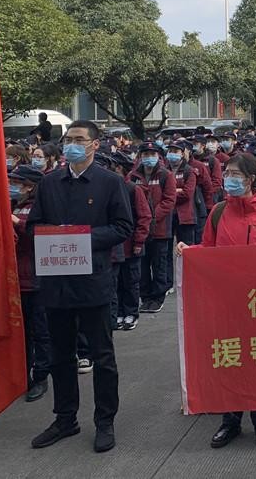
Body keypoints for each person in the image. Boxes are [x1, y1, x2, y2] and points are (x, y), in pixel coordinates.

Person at [27, 120, 133, 454]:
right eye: (68, 139)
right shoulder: (49, 183)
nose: (71, 144)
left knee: (102, 356)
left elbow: (123, 227)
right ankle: (65, 418)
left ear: (94, 144)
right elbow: (34, 225)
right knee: (61, 355)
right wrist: (51, 235)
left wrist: (81, 237)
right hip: (56, 282)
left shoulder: (110, 182)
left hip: (93, 281)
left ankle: (105, 420)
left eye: (78, 139)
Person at [179, 152, 256, 449]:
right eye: (227, 174)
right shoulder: (218, 212)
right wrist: (189, 252)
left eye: (235, 174)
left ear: (250, 179)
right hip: (226, 303)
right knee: (230, 358)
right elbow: (208, 249)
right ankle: (230, 421)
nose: (229, 179)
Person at [10, 164, 51, 403]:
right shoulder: (8, 204)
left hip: (36, 276)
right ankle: (21, 374)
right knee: (20, 333)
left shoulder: (42, 205)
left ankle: (41, 376)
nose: (11, 187)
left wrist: (17, 222)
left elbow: (45, 234)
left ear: (29, 186)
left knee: (40, 331)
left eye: (16, 183)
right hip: (13, 278)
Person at [129, 143, 177, 315]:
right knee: (142, 265)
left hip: (160, 229)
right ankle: (146, 297)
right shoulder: (133, 175)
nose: (149, 157)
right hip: (140, 230)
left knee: (159, 265)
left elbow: (169, 201)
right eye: (145, 154)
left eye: (152, 154)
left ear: (158, 156)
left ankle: (158, 297)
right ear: (140, 156)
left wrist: (151, 216)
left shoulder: (166, 175)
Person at [107, 152, 150, 332]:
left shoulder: (133, 189)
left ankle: (131, 313)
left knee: (131, 281)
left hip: (131, 245)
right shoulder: (108, 188)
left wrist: (139, 241)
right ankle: (118, 313)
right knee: (115, 282)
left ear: (120, 169)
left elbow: (144, 217)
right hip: (114, 247)